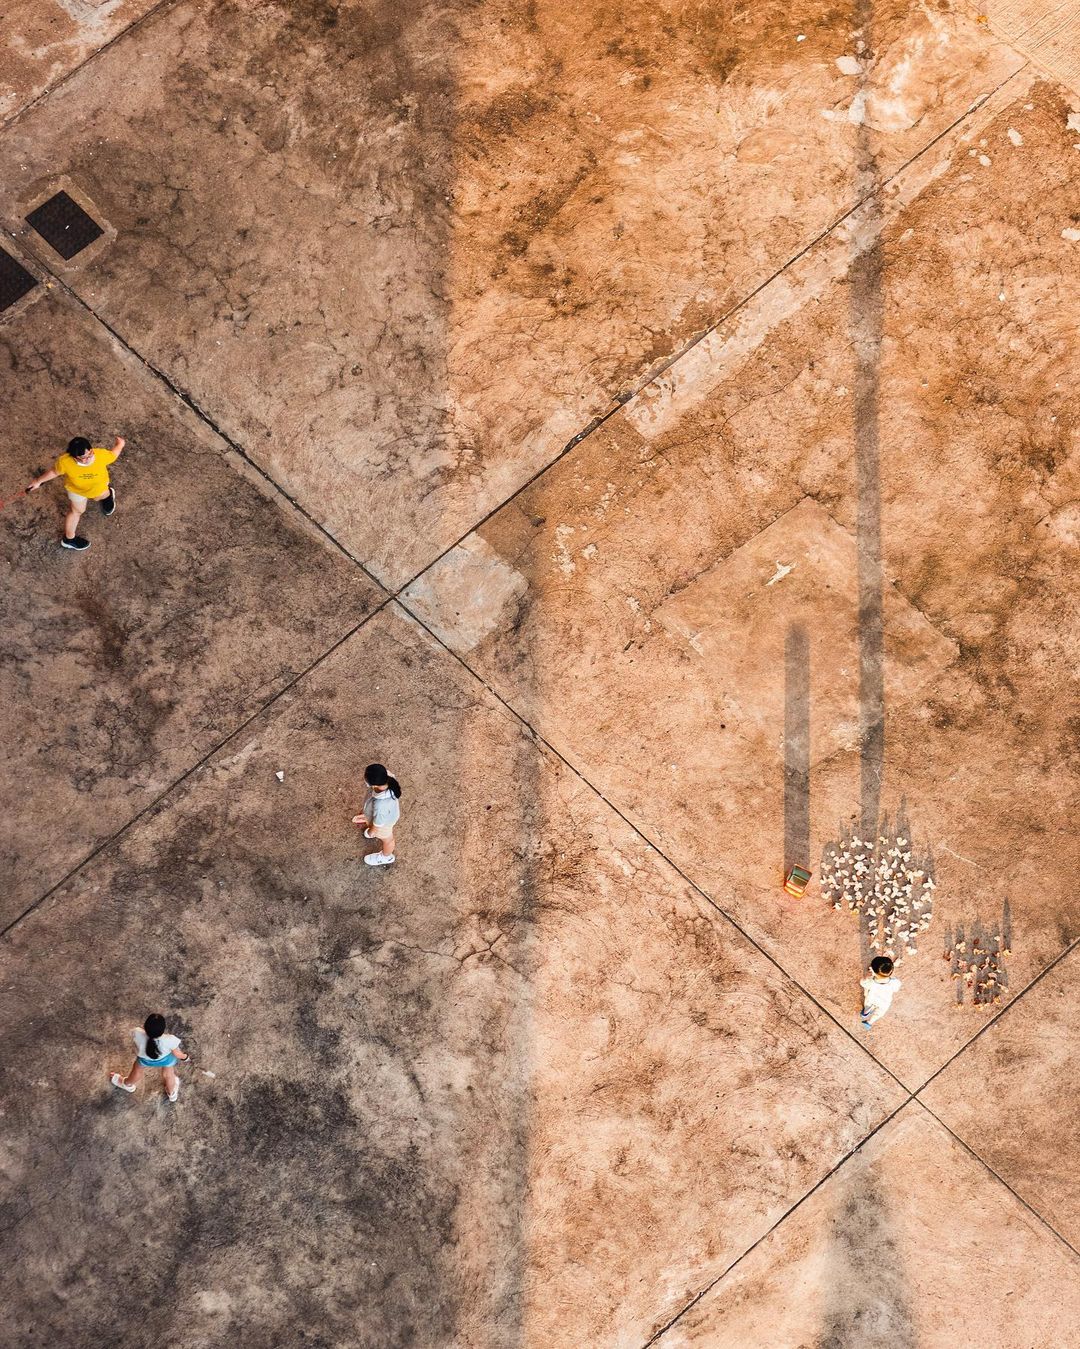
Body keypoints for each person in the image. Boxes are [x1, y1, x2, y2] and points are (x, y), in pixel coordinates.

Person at [26, 434, 125, 551]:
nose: (88, 459)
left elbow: (113, 454)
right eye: (83, 457)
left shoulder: (100, 455)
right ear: (74, 457)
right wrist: (38, 481)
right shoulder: (65, 462)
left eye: (89, 454)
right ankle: (69, 539)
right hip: (77, 491)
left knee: (103, 495)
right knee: (76, 511)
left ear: (91, 450)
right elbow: (54, 471)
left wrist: (120, 445)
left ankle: (108, 496)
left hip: (99, 488)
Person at [110, 1013, 188, 1102]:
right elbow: (177, 1054)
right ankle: (171, 1094)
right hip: (166, 1060)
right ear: (163, 1030)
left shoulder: (137, 1032)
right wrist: (185, 1057)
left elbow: (133, 1034)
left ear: (145, 1026)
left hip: (144, 1060)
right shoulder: (170, 1039)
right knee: (169, 1075)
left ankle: (127, 1084)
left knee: (137, 1071)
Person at [352, 762, 401, 867]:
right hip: (386, 815)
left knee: (388, 839)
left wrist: (371, 831)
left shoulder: (381, 806)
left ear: (373, 784)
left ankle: (386, 856)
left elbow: (378, 823)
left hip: (384, 824)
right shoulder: (387, 777)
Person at [860, 955, 902, 1029]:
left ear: (873, 971)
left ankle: (865, 1013)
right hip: (884, 1002)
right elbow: (896, 989)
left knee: (868, 1006)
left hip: (871, 998)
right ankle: (870, 1022)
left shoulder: (870, 982)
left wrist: (867, 976)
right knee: (879, 1013)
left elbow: (863, 983)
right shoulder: (895, 982)